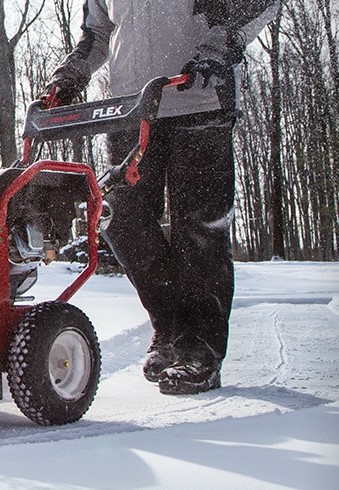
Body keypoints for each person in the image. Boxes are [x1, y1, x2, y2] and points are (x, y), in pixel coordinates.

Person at [43, 0, 279, 395]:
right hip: (132, 107)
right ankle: (170, 328)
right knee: (119, 215)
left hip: (199, 99)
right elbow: (97, 33)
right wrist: (71, 74)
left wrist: (216, 50)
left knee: (199, 227)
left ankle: (199, 348)